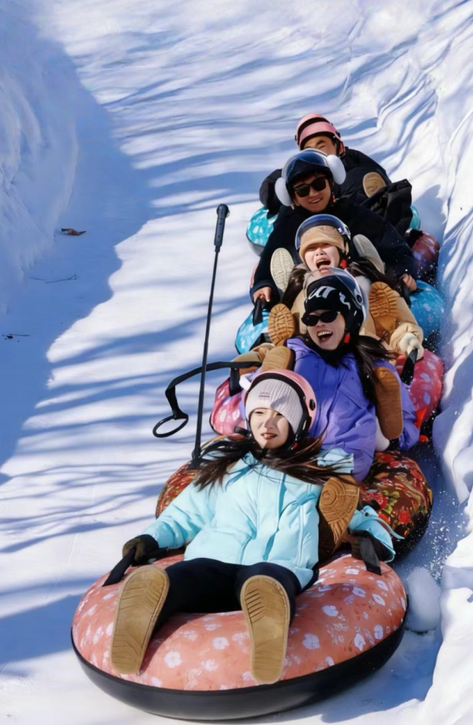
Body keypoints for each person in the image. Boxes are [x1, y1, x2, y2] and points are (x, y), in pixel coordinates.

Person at [109, 370, 396, 685]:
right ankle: (145, 610)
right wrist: (152, 538)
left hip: (279, 564)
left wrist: (375, 537)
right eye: (259, 413)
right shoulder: (229, 467)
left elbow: (357, 515)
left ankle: (268, 631)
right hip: (217, 559)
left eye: (279, 415)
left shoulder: (320, 471)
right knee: (184, 576)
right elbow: (187, 512)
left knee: (266, 581)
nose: (267, 423)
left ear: (299, 423)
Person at [264, 270, 419, 478]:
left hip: (344, 458)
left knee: (327, 481)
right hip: (292, 452)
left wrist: (389, 439)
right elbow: (257, 399)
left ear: (350, 319)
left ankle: (334, 500)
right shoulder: (293, 354)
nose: (319, 323)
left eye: (328, 315)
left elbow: (404, 418)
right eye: (311, 318)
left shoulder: (372, 363)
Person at [251, 150, 417, 306]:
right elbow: (267, 263)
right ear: (293, 197)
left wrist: (401, 272)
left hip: (361, 291)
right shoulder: (286, 228)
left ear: (331, 183)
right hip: (308, 300)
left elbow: (395, 248)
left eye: (319, 184)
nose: (313, 193)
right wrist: (263, 285)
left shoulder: (356, 215)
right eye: (302, 190)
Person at [275, 214, 424, 359]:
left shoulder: (364, 284)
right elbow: (293, 337)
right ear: (304, 259)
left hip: (368, 354)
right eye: (311, 248)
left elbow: (399, 317)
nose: (319, 252)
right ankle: (288, 282)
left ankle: (373, 265)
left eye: (326, 244)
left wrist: (406, 338)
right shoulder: (303, 295)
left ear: (342, 250)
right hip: (317, 361)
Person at [259, 114, 392, 216]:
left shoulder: (357, 167)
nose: (317, 153)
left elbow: (374, 179)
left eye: (322, 146)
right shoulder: (302, 168)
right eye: (310, 150)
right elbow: (271, 186)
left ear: (339, 147)